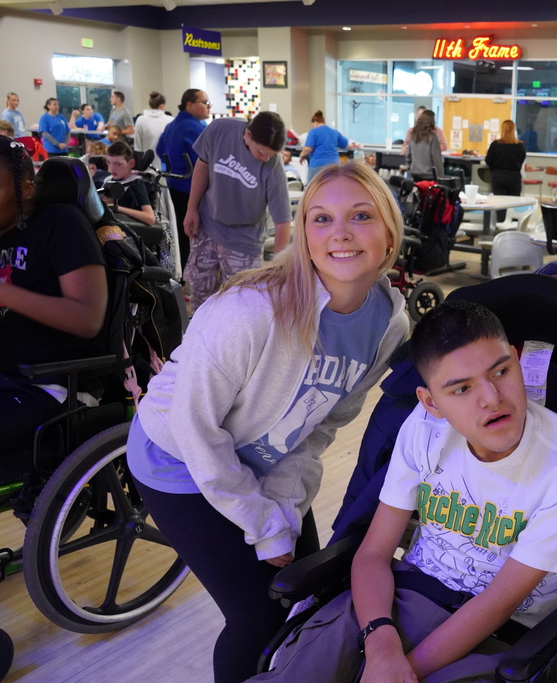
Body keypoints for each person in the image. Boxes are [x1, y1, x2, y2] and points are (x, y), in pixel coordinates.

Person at [126, 161, 410, 683]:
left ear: (389, 231)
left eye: (361, 215)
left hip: (263, 457)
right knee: (257, 616)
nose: (341, 233)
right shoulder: (251, 310)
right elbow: (195, 427)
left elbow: (320, 427)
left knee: (302, 596)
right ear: (302, 235)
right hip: (178, 459)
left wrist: (283, 505)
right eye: (321, 219)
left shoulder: (388, 319)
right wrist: (261, 524)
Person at [246, 299, 557, 683]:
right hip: (406, 595)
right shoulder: (424, 428)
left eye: (501, 371)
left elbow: (500, 601)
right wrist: (381, 647)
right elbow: (373, 552)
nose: (491, 398)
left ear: (517, 361)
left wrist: (402, 673)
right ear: (430, 402)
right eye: (461, 389)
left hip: (502, 634)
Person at [0, 134, 108, 453]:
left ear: (26, 190)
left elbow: (87, 318)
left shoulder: (60, 223)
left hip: (51, 384)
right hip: (1, 375)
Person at [183, 111, 292, 311]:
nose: (265, 158)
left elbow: (282, 221)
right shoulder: (219, 129)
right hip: (208, 226)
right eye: (261, 152)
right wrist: (191, 209)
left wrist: (278, 269)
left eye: (271, 154)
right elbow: (203, 165)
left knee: (242, 305)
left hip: (244, 240)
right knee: (200, 298)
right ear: (248, 135)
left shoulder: (273, 166)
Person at [156, 88, 210, 272]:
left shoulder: (172, 125)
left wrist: (174, 165)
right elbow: (205, 161)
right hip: (191, 190)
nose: (208, 106)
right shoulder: (195, 127)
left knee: (181, 234)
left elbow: (159, 150)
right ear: (190, 104)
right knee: (194, 236)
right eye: (204, 102)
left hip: (174, 186)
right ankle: (192, 277)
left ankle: (184, 276)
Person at [101, 140, 155, 226]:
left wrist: (117, 208)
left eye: (118, 164)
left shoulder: (136, 183)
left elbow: (150, 218)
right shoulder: (109, 179)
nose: (111, 169)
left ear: (131, 163)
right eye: (108, 162)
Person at [485, 119, 526, 222]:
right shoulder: (520, 146)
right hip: (514, 177)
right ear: (514, 130)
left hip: (498, 176)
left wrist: (495, 168)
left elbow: (488, 161)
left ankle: (500, 225)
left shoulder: (495, 145)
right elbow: (521, 160)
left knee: (500, 204)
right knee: (513, 204)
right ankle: (512, 226)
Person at [298, 110, 359, 178]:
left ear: (315, 122)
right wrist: (355, 146)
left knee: (313, 187)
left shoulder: (313, 132)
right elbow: (345, 144)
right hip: (333, 165)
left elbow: (308, 148)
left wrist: (301, 155)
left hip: (317, 165)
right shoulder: (334, 132)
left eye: (313, 125)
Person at [134, 91, 172, 169]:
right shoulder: (171, 120)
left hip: (147, 164)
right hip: (166, 165)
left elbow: (137, 147)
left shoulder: (140, 120)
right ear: (162, 106)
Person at [407, 110, 445, 182]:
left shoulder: (413, 135)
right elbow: (436, 158)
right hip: (429, 175)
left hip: (415, 174)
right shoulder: (432, 136)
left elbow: (409, 155)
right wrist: (440, 178)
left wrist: (410, 167)